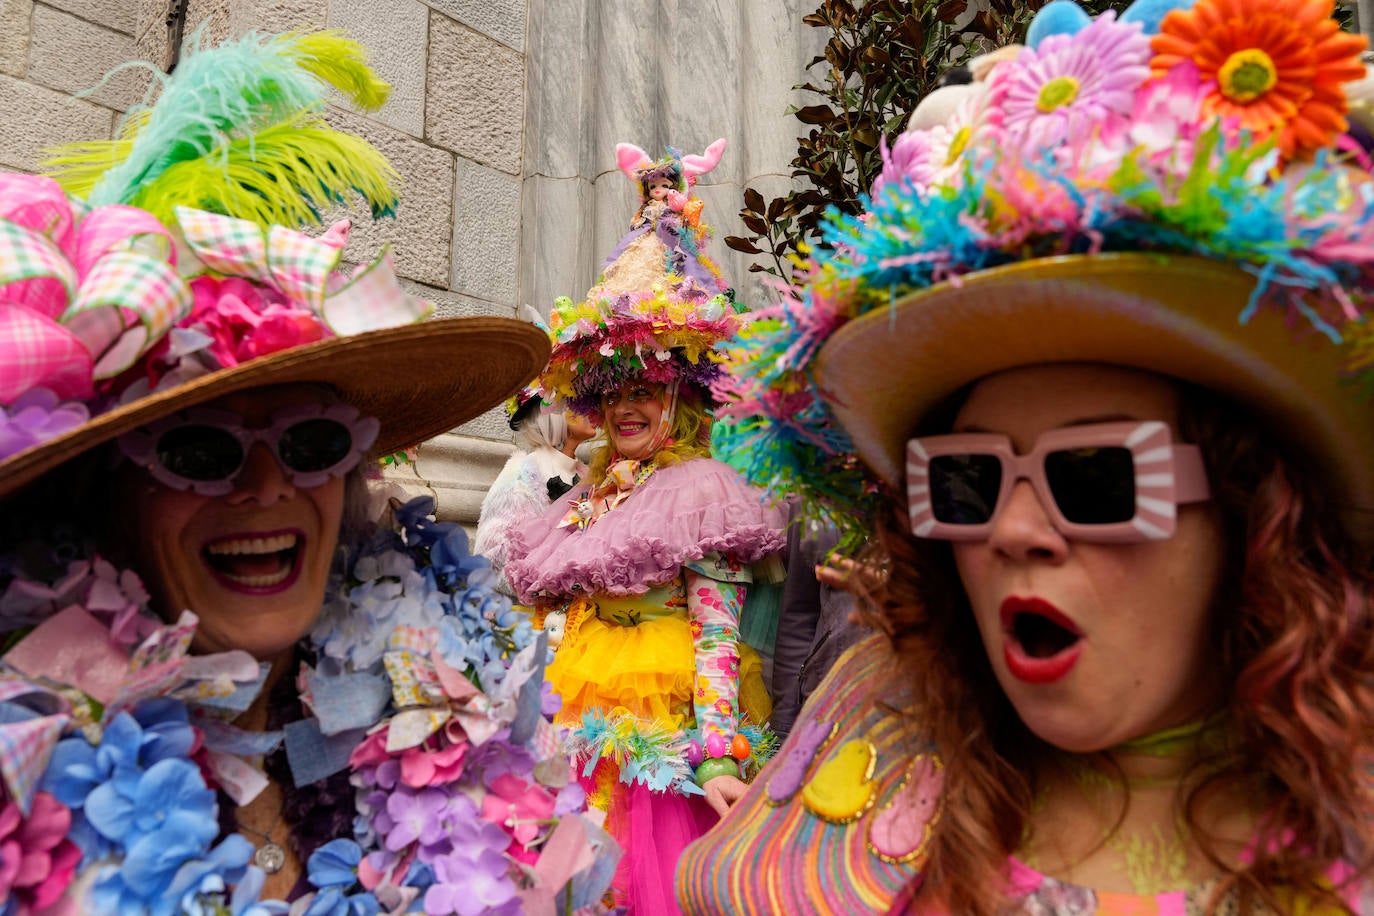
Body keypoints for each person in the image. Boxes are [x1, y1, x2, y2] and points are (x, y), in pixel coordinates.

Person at [681, 1, 1374, 913]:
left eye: (1094, 478)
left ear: (1253, 513)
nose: (1010, 529)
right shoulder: (871, 727)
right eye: (963, 483)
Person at [0, 31, 614, 912]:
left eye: (312, 443)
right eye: (199, 451)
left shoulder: (448, 697)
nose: (268, 487)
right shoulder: (25, 785)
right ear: (104, 494)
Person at [505, 139, 787, 914]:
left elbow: (719, 634)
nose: (627, 406)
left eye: (649, 388)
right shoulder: (595, 489)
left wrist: (717, 753)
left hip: (662, 749)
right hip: (573, 726)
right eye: (614, 387)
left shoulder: (702, 491)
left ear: (683, 399)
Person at [474, 387, 598, 596]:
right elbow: (493, 556)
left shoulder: (585, 475)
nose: (591, 410)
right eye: (578, 403)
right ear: (553, 414)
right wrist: (543, 585)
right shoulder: (522, 474)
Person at [768, 502, 866, 740]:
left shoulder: (940, 482)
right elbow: (800, 612)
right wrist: (784, 727)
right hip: (828, 699)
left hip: (917, 697)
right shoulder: (814, 489)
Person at [591, 139, 732, 300]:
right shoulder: (647, 208)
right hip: (645, 242)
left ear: (674, 188)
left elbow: (684, 223)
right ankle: (634, 301)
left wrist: (676, 219)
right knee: (636, 270)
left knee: (682, 268)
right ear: (647, 191)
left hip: (671, 242)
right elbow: (638, 223)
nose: (658, 190)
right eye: (653, 187)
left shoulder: (674, 205)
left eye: (664, 185)